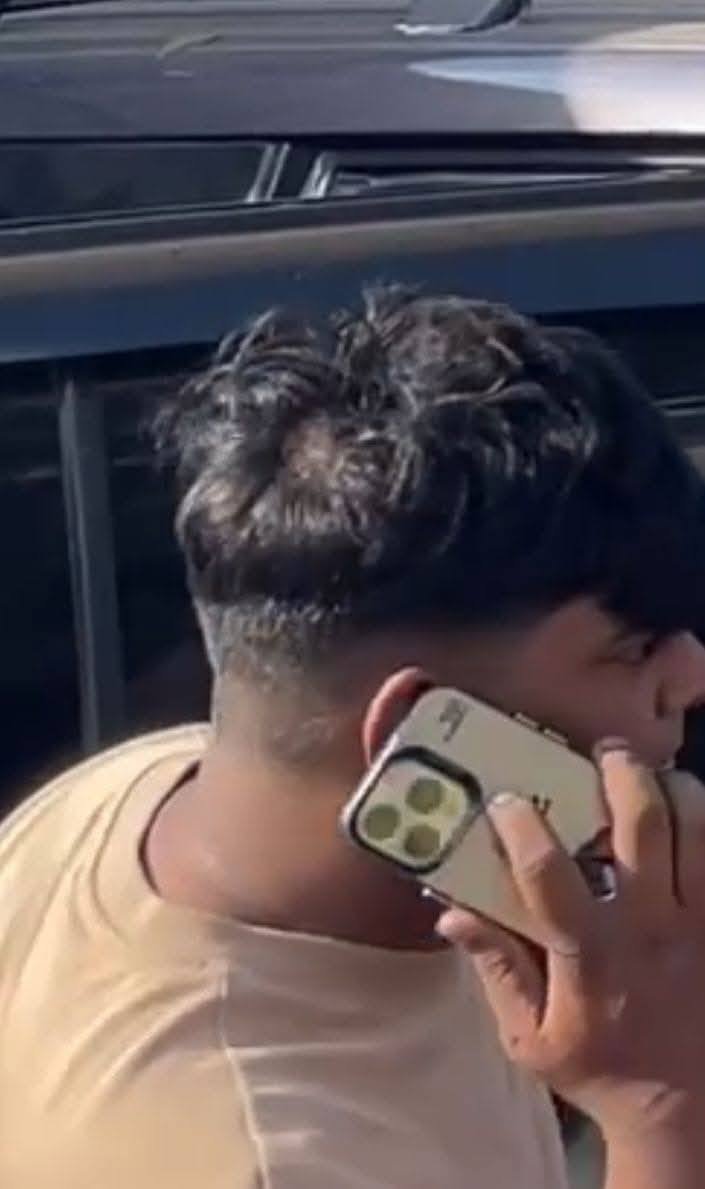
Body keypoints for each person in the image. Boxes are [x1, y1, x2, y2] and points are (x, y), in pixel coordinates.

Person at [3, 287, 705, 1189]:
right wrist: (659, 1104)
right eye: (632, 647)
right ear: (419, 731)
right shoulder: (255, 1154)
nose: (691, 674)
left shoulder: (141, 788)